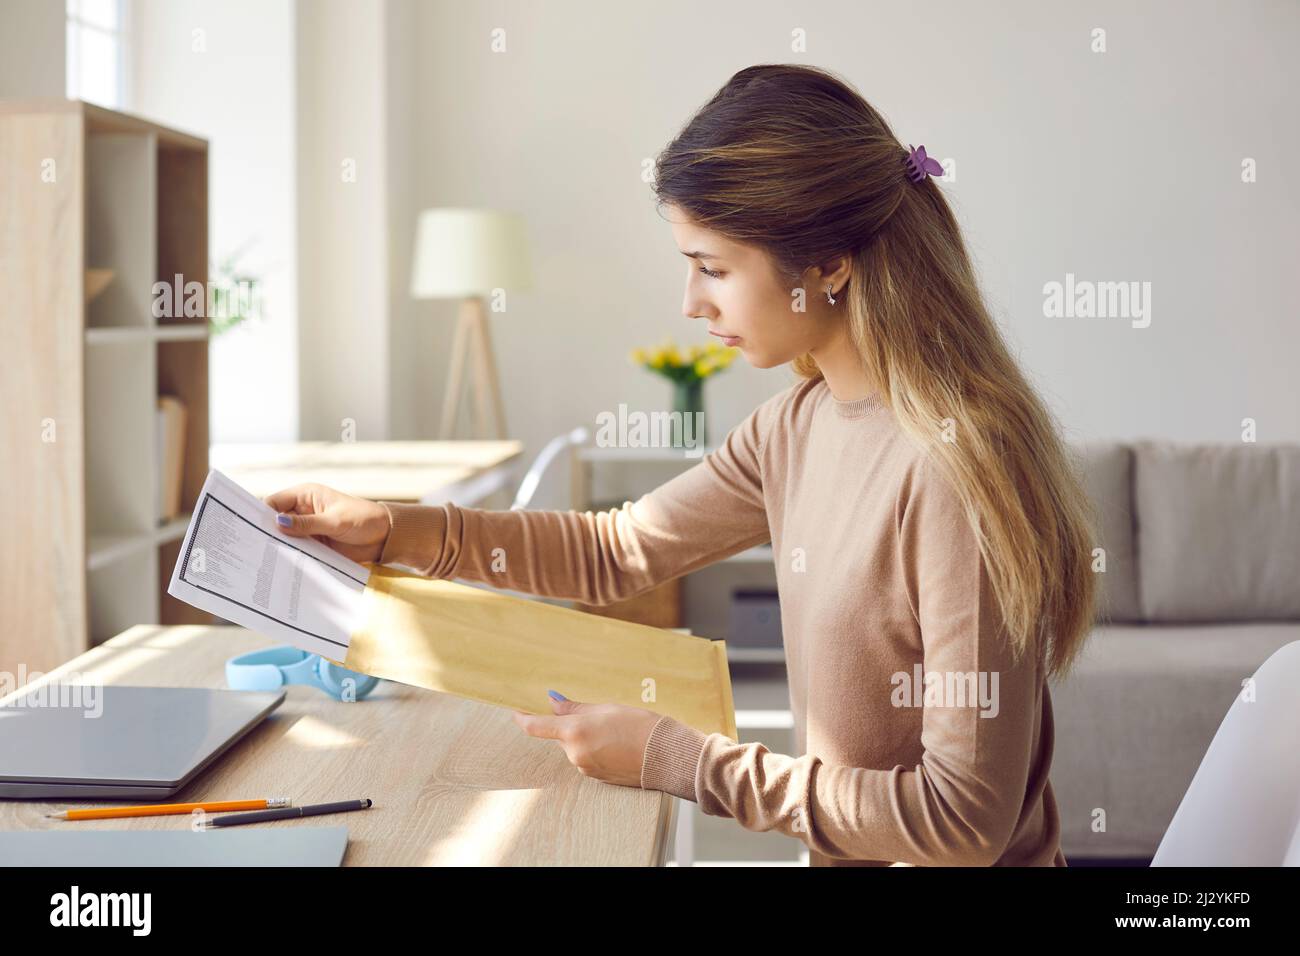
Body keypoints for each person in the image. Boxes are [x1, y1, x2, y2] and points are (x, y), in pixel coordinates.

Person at [267, 64, 1099, 866]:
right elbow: (615, 552)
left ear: (830, 264)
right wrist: (395, 530)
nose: (692, 303)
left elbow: (962, 825)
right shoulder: (795, 427)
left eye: (713, 268)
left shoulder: (951, 470)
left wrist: (683, 760)